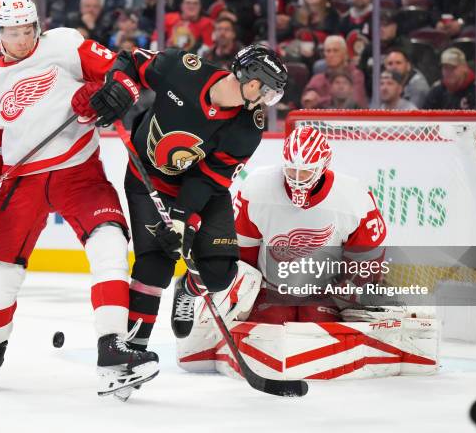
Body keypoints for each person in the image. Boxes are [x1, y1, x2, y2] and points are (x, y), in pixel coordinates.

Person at [0, 0, 158, 398]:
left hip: (78, 172)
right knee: (0, 271)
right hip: (21, 182)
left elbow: (121, 71)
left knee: (110, 243)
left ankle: (113, 346)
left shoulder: (64, 43)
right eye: (13, 32)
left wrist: (110, 93)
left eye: (28, 28)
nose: (23, 38)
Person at [87, 44, 288, 347]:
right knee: (155, 264)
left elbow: (208, 179)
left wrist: (184, 219)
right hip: (148, 177)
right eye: (268, 93)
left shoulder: (248, 127)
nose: (268, 102)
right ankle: (132, 350)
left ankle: (188, 289)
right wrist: (120, 88)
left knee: (219, 274)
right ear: (253, 83)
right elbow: (129, 60)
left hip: (201, 188)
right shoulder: (182, 68)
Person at [232, 126, 387, 324]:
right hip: (271, 288)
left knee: (317, 328)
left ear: (324, 165)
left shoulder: (354, 197)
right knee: (270, 328)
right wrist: (243, 294)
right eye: (291, 169)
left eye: (305, 171)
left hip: (325, 292)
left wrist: (350, 296)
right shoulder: (256, 188)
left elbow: (367, 259)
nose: (297, 179)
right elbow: (243, 252)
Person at [303, 35, 368, 108]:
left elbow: (356, 102)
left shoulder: (355, 75)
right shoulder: (317, 79)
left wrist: (320, 101)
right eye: (328, 51)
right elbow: (306, 101)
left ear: (345, 54)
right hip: (322, 118)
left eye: (335, 50)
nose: (331, 54)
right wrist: (309, 98)